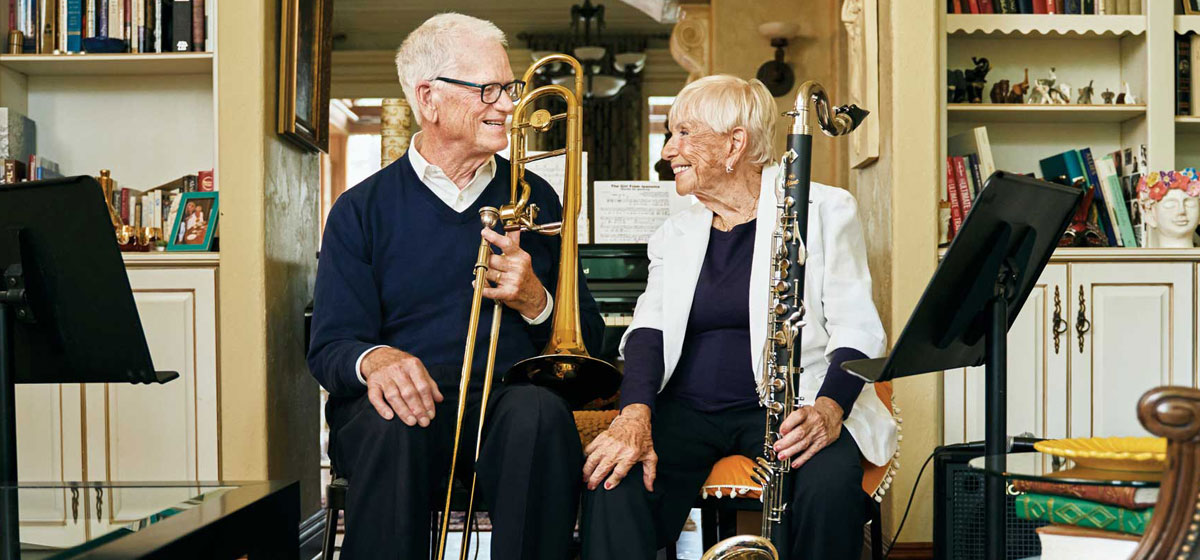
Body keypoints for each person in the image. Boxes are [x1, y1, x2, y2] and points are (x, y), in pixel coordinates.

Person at [307, 13, 605, 559]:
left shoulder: (537, 194)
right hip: (405, 414)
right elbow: (330, 348)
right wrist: (376, 360)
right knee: (389, 417)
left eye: (509, 88)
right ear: (429, 99)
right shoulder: (360, 209)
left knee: (539, 415)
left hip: (506, 411)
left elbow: (592, 344)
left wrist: (536, 301)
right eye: (487, 90)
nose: (509, 105)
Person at [579, 75, 898, 559]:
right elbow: (648, 330)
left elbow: (857, 325)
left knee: (827, 486)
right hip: (687, 410)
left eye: (683, 133)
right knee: (614, 478)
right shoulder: (675, 230)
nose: (669, 150)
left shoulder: (824, 210)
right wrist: (634, 415)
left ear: (735, 143)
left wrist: (830, 409)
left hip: (795, 403)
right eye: (671, 135)